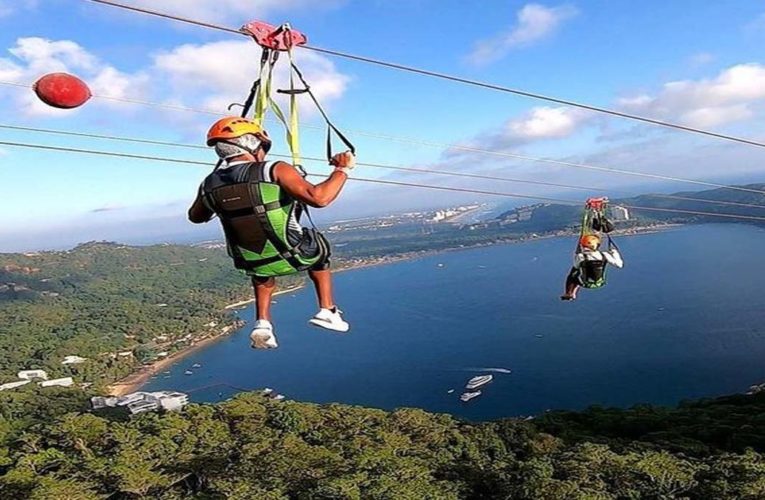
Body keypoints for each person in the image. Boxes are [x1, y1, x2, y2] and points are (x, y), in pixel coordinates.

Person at [188, 117, 355, 349]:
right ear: (253, 145)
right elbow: (320, 197)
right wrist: (342, 169)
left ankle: (263, 323)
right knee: (320, 251)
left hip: (250, 259)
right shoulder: (273, 169)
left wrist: (215, 193)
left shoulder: (209, 184)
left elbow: (196, 217)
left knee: (261, 268)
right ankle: (327, 309)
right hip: (295, 253)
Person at [560, 234, 623, 301]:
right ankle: (572, 293)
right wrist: (614, 252)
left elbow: (576, 267)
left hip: (585, 282)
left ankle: (569, 293)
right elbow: (620, 265)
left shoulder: (581, 256)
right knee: (577, 273)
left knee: (572, 275)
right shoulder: (604, 255)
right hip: (599, 282)